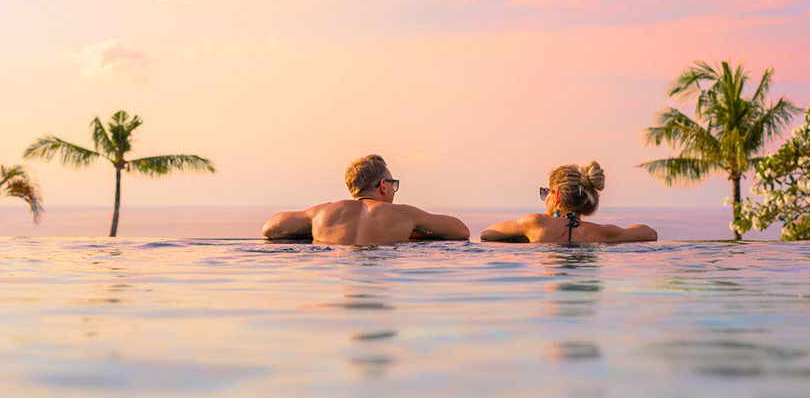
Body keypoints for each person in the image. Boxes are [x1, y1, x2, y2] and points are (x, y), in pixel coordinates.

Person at [262, 154, 470, 244]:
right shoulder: (404, 214)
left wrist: (312, 229)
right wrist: (413, 230)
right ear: (382, 185)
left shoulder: (322, 213)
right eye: (392, 184)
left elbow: (270, 228)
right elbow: (461, 231)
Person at [480, 161, 657, 243]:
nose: (545, 198)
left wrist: (522, 235)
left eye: (546, 193)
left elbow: (487, 233)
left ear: (556, 196)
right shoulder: (603, 233)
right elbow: (650, 233)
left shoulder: (535, 224)